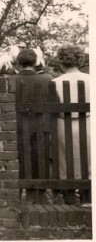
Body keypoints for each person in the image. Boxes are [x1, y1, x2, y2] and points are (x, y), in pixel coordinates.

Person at [12, 48, 52, 203]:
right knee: (39, 159)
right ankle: (38, 194)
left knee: (19, 159)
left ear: (18, 63)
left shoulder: (11, 79)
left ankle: (18, 192)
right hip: (41, 126)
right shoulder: (47, 79)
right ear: (35, 62)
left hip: (18, 126)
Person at [53, 45, 91, 206]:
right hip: (88, 123)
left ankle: (69, 198)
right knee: (88, 161)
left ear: (61, 62)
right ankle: (87, 198)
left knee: (66, 162)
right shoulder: (91, 79)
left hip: (63, 125)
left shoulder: (55, 82)